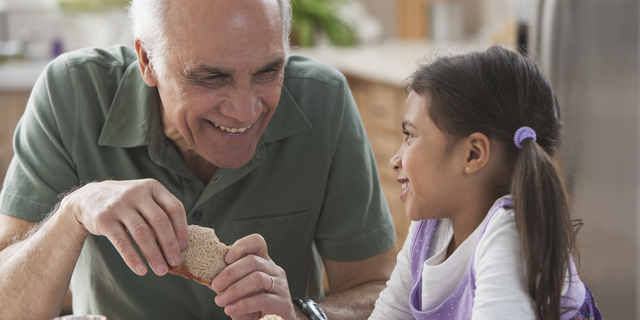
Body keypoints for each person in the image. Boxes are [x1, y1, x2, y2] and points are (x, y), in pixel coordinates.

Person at [0, 0, 398, 319]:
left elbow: (379, 292)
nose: (245, 111)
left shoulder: (324, 100)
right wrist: (73, 211)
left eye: (268, 71)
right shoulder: (70, 93)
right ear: (147, 62)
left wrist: (302, 313)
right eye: (211, 78)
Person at [369, 46, 603, 320]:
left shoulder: (509, 237)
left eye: (409, 135)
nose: (395, 159)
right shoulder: (429, 225)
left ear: (473, 154)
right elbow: (391, 314)